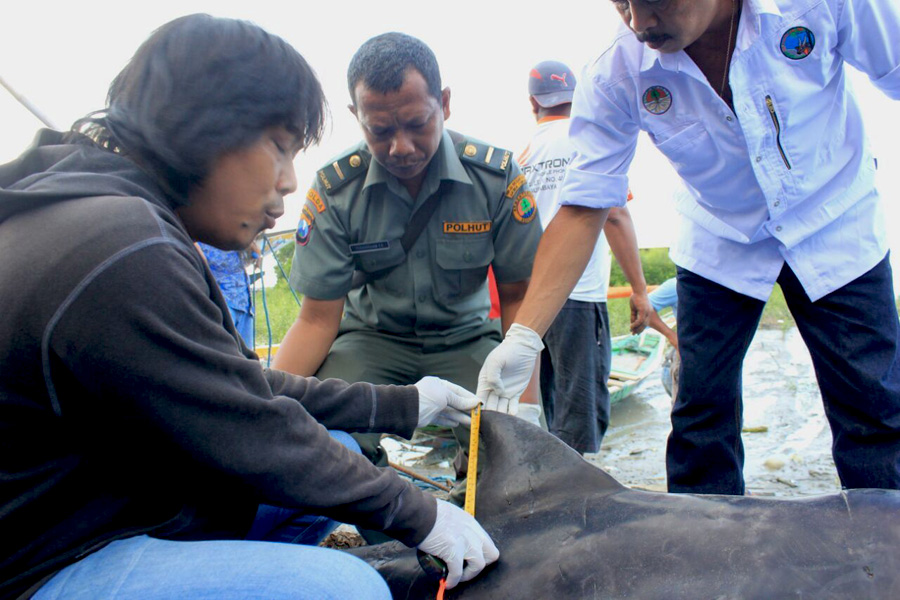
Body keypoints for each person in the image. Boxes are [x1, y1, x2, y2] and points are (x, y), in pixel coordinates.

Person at [0, 15, 498, 599]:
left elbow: (243, 389)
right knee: (346, 590)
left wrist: (406, 404)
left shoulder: (95, 204)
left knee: (332, 452)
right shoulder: (122, 246)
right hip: (45, 559)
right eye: (281, 148)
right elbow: (252, 428)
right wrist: (421, 514)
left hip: (105, 504)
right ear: (206, 130)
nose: (290, 181)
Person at [477, 0, 900, 496]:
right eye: (622, 2)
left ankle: (883, 557)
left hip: (834, 220)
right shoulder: (617, 71)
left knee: (873, 406)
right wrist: (525, 337)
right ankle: (706, 560)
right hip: (721, 238)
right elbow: (585, 206)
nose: (637, 22)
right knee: (700, 416)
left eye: (654, 0)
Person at [272, 32, 544, 478]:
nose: (401, 147)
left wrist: (525, 407)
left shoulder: (494, 178)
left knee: (522, 447)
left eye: (418, 123)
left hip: (467, 341)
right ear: (356, 118)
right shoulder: (336, 191)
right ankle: (386, 524)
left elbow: (518, 297)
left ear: (445, 103)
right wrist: (269, 407)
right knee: (313, 434)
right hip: (372, 342)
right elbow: (318, 319)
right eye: (380, 131)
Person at [520, 60, 650, 454]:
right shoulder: (588, 143)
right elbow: (614, 213)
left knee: (546, 405)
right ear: (576, 100)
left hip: (531, 303)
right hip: (578, 293)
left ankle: (547, 490)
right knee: (582, 411)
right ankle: (580, 502)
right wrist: (640, 290)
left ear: (533, 103)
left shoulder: (520, 155)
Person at [196, 241, 260, 347]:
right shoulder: (198, 238)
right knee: (225, 352)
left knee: (246, 357)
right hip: (222, 304)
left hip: (244, 304)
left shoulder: (235, 236)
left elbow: (254, 255)